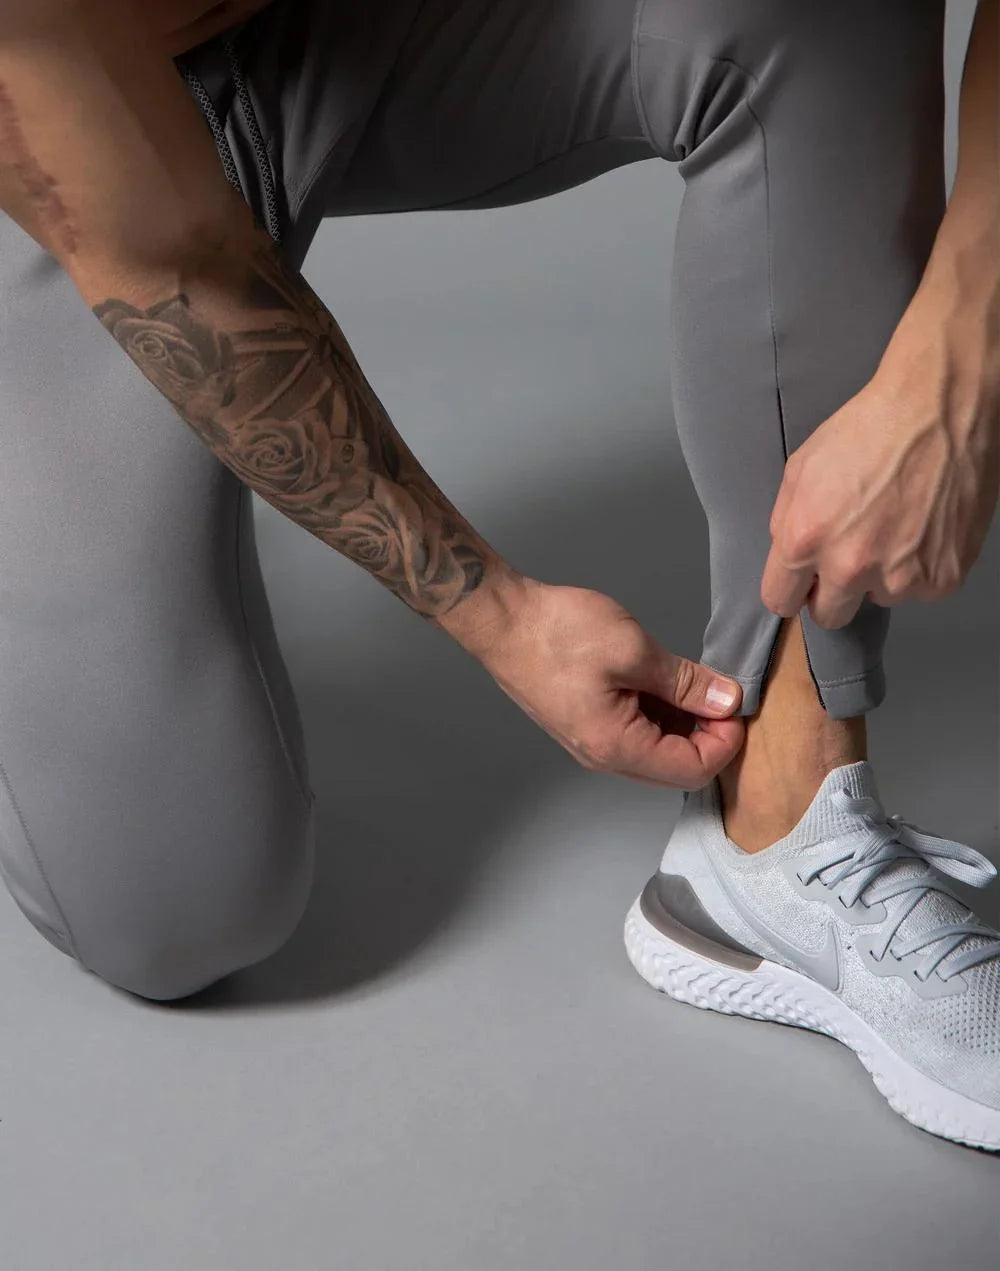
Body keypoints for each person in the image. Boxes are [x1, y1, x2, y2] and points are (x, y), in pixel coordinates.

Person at [0, 0, 996, 1147]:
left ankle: (785, 827)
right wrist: (503, 616)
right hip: (60, 149)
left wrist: (960, 353)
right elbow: (176, 262)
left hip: (346, 32)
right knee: (179, 912)